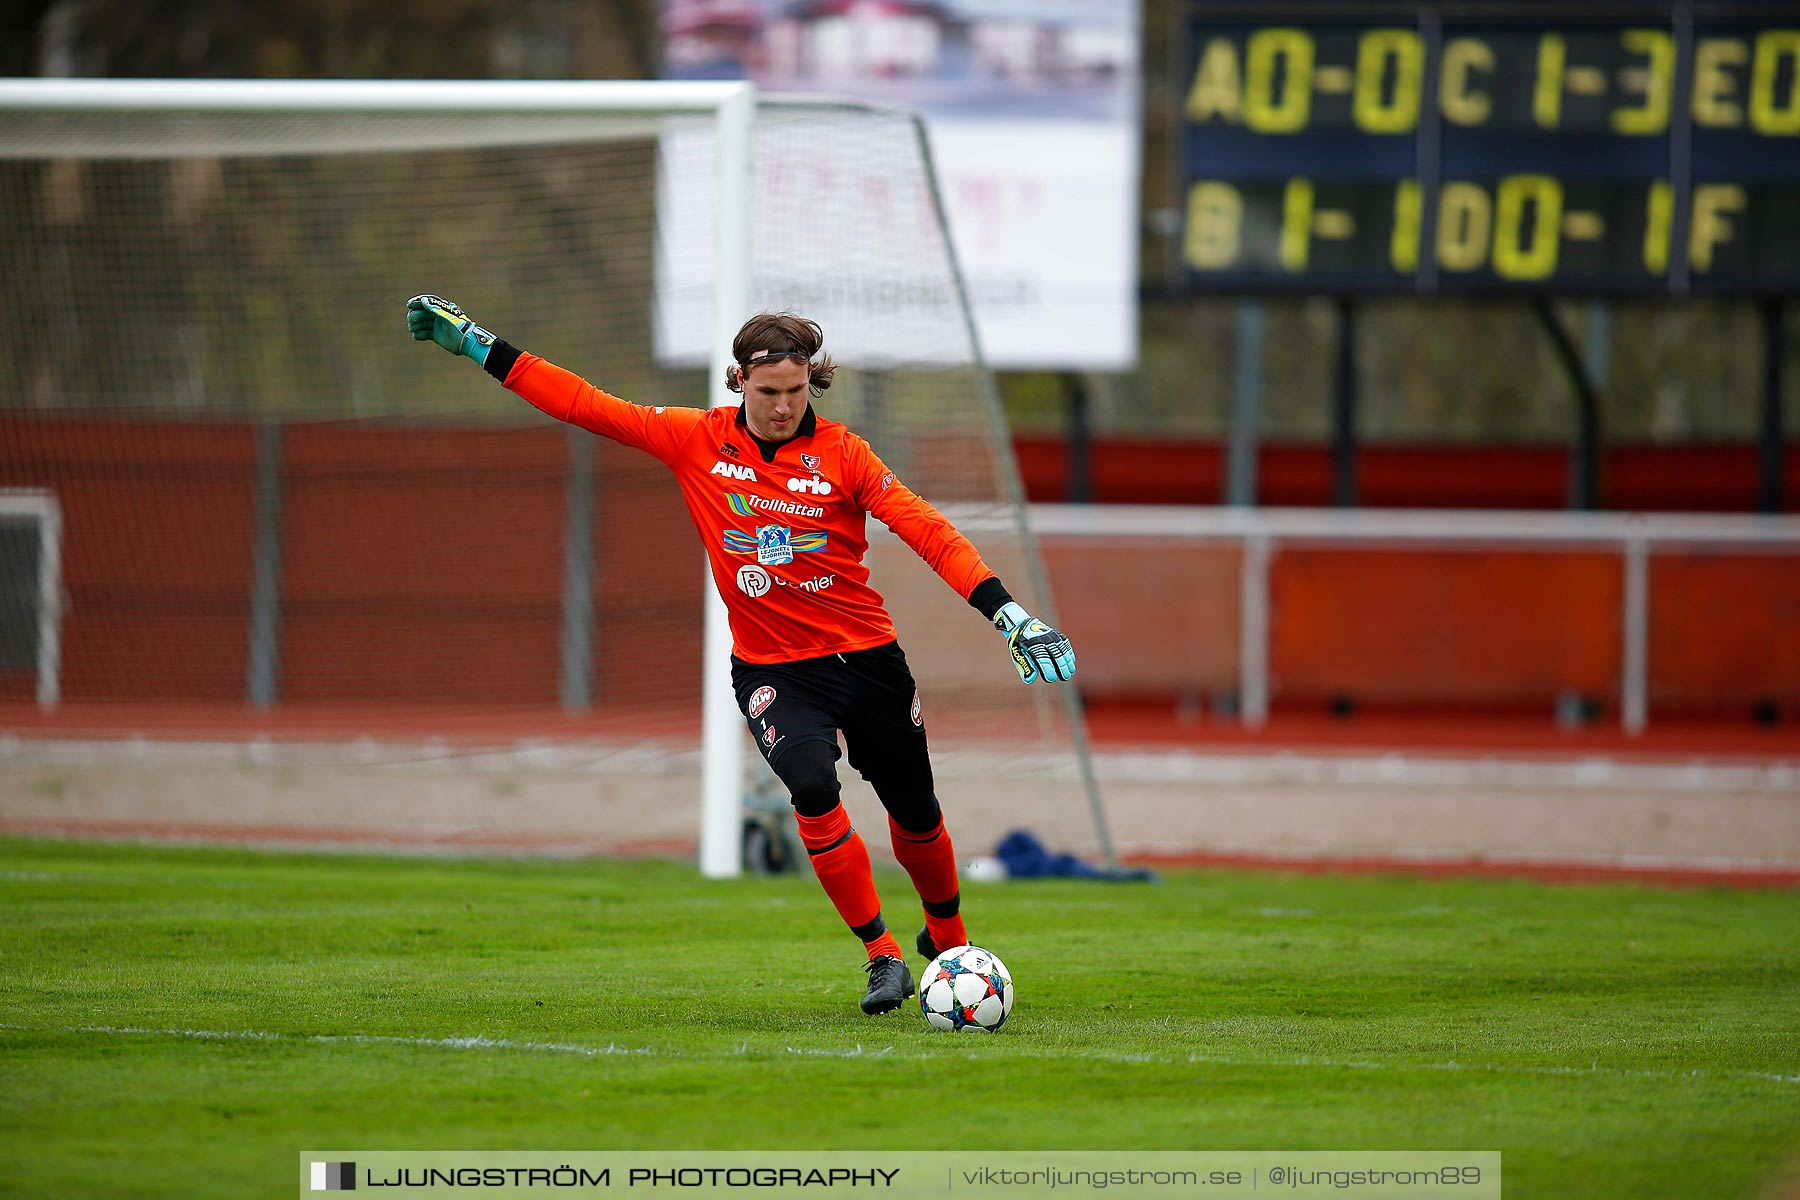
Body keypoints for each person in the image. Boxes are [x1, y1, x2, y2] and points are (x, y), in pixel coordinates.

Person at [406, 295, 1077, 1014]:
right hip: (775, 671)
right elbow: (583, 404)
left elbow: (926, 530)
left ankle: (948, 942)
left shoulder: (845, 454)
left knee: (914, 812)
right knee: (813, 788)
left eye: (794, 391)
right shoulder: (695, 438)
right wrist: (483, 348)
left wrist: (1003, 608)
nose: (783, 406)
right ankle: (883, 956)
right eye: (768, 392)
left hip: (868, 657)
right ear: (738, 381)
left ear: (810, 383)